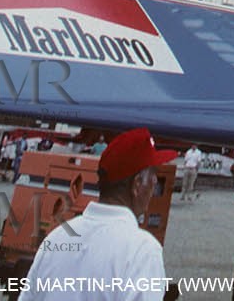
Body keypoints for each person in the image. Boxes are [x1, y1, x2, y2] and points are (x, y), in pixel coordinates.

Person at [24, 127, 175, 297]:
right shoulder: (142, 251)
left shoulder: (57, 238)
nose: (155, 182)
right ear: (137, 184)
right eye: (153, 174)